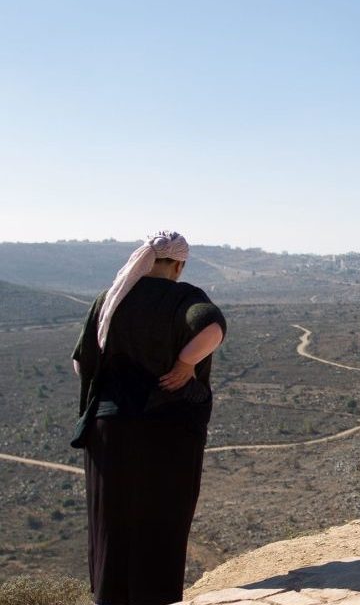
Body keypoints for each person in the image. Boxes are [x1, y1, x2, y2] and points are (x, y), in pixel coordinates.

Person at [70, 231, 226, 605]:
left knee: (111, 520)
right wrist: (185, 363)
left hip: (109, 427)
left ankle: (110, 597)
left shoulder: (110, 299)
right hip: (168, 427)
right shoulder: (183, 296)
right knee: (162, 516)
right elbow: (211, 327)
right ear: (178, 265)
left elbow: (81, 362)